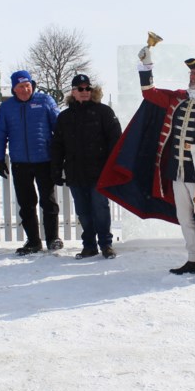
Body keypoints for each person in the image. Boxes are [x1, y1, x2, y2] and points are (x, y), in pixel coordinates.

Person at [98, 45, 195, 281]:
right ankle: (194, 259)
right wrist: (146, 67)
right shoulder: (178, 98)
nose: (191, 77)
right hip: (177, 171)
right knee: (185, 218)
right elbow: (150, 93)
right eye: (190, 74)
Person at [50, 74, 122, 259]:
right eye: (80, 89)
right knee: (83, 211)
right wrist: (56, 168)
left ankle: (106, 244)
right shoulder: (64, 117)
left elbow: (116, 140)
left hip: (99, 171)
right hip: (75, 171)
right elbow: (57, 144)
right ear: (73, 92)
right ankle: (89, 245)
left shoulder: (104, 112)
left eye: (87, 88)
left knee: (100, 208)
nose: (84, 92)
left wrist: (112, 166)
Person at [0, 70, 62, 254]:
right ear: (14, 89)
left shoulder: (45, 101)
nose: (24, 90)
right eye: (20, 87)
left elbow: (60, 127)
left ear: (32, 85)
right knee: (26, 203)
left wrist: (61, 154)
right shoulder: (6, 108)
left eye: (27, 86)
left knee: (48, 201)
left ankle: (53, 238)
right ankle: (33, 241)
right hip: (20, 162)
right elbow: (0, 134)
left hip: (44, 160)